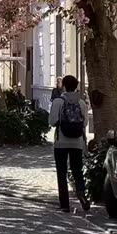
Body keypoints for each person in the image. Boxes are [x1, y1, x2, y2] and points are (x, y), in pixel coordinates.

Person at [48, 75, 89, 214]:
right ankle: (81, 193)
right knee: (77, 170)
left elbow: (52, 121)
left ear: (64, 86)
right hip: (77, 142)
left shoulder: (58, 102)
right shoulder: (82, 103)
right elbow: (85, 123)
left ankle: (65, 204)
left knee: (62, 172)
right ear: (76, 86)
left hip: (61, 142)